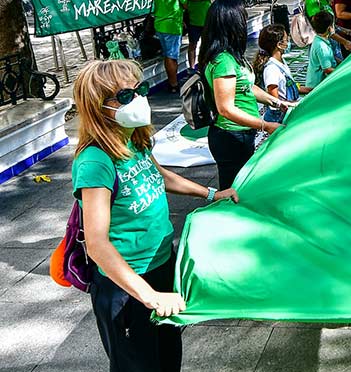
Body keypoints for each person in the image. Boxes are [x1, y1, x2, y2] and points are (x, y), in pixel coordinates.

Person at [72, 59, 239, 371]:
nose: (138, 100)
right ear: (98, 107)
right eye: (124, 96)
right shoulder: (95, 162)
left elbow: (161, 176)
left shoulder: (134, 139)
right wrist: (148, 296)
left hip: (161, 266)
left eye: (140, 90)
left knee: (167, 358)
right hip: (127, 286)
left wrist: (212, 194)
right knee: (139, 364)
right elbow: (96, 243)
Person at [200, 0, 286, 190]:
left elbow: (247, 86)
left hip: (240, 135)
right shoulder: (223, 61)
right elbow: (226, 109)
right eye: (242, 18)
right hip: (231, 137)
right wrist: (265, 125)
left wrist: (275, 101)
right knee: (233, 191)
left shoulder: (231, 57)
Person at [252, 25, 312, 123]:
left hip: (289, 109)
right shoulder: (272, 69)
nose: (288, 42)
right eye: (286, 39)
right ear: (279, 45)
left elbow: (293, 86)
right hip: (279, 117)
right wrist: (292, 104)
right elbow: (274, 100)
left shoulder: (281, 61)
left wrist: (313, 90)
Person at [152, 0, 187, 93]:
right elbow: (185, 4)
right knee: (171, 56)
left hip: (159, 24)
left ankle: (172, 82)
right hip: (172, 26)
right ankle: (173, 84)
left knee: (168, 55)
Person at [181, 0, 217, 70]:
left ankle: (206, 65)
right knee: (192, 45)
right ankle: (192, 67)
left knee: (207, 44)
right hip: (193, 21)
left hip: (207, 21)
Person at [306, 11, 337, 89]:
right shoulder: (321, 46)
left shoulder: (319, 40)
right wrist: (343, 71)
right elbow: (327, 69)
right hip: (317, 86)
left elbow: (330, 57)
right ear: (329, 28)